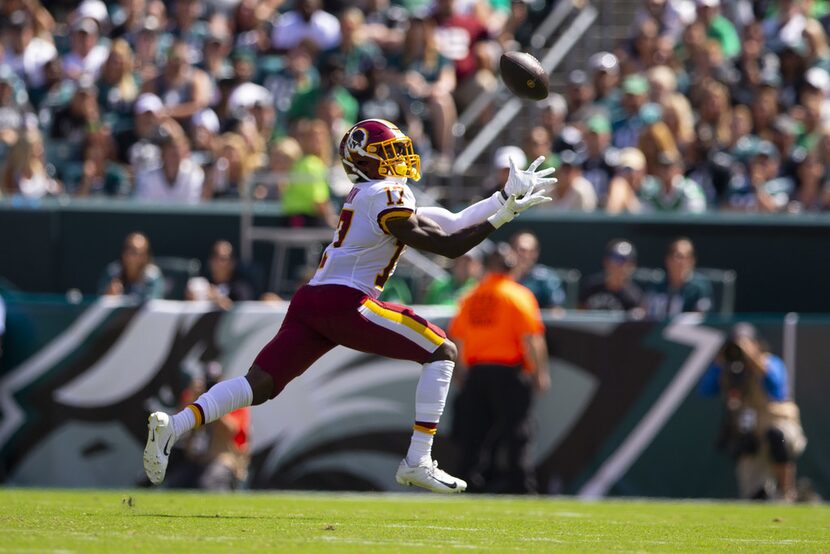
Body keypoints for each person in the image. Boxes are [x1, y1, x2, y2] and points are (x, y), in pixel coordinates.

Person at [143, 118, 556, 494]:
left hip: (313, 298)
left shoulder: (371, 194)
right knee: (442, 351)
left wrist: (504, 196)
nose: (398, 161)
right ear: (366, 159)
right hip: (346, 300)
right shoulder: (385, 193)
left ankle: (174, 426)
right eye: (389, 153)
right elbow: (447, 245)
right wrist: (503, 216)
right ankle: (418, 459)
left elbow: (450, 221)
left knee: (260, 384)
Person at [449, 242, 550, 494]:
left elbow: (458, 338)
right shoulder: (518, 295)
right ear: (511, 266)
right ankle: (521, 488)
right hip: (509, 374)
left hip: (477, 373)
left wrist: (461, 371)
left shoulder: (470, 297)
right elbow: (531, 339)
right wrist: (540, 373)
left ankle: (466, 486)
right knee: (517, 435)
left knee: (473, 436)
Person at [699, 323, 806, 501]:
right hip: (752, 435)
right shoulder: (728, 369)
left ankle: (786, 490)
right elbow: (705, 390)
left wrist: (753, 358)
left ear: (756, 344)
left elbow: (777, 388)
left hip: (780, 429)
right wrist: (719, 363)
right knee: (754, 495)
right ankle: (763, 493)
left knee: (776, 435)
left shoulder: (769, 362)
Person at [644, 237, 714, 319]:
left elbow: (701, 316)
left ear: (692, 261)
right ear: (667, 259)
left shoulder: (701, 287)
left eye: (686, 257)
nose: (681, 262)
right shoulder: (656, 284)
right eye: (678, 256)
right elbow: (645, 311)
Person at [578, 239, 644, 314]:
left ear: (632, 266)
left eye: (625, 260)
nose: (619, 265)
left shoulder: (634, 296)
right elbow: (579, 314)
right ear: (606, 261)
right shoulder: (590, 286)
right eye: (615, 258)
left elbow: (635, 323)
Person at [185, 240, 256, 309]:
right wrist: (192, 300)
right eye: (215, 257)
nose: (219, 262)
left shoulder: (242, 288)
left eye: (224, 258)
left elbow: (241, 312)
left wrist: (217, 298)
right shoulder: (204, 284)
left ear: (233, 262)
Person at [98, 232, 165, 301]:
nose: (130, 255)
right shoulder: (113, 272)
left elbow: (153, 304)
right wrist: (107, 297)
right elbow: (98, 303)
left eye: (136, 252)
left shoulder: (152, 276)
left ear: (145, 256)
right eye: (128, 249)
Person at [509, 230, 566, 309]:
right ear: (511, 250)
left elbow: (557, 311)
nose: (526, 255)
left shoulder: (547, 278)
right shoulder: (500, 278)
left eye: (531, 251)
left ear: (536, 253)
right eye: (522, 250)